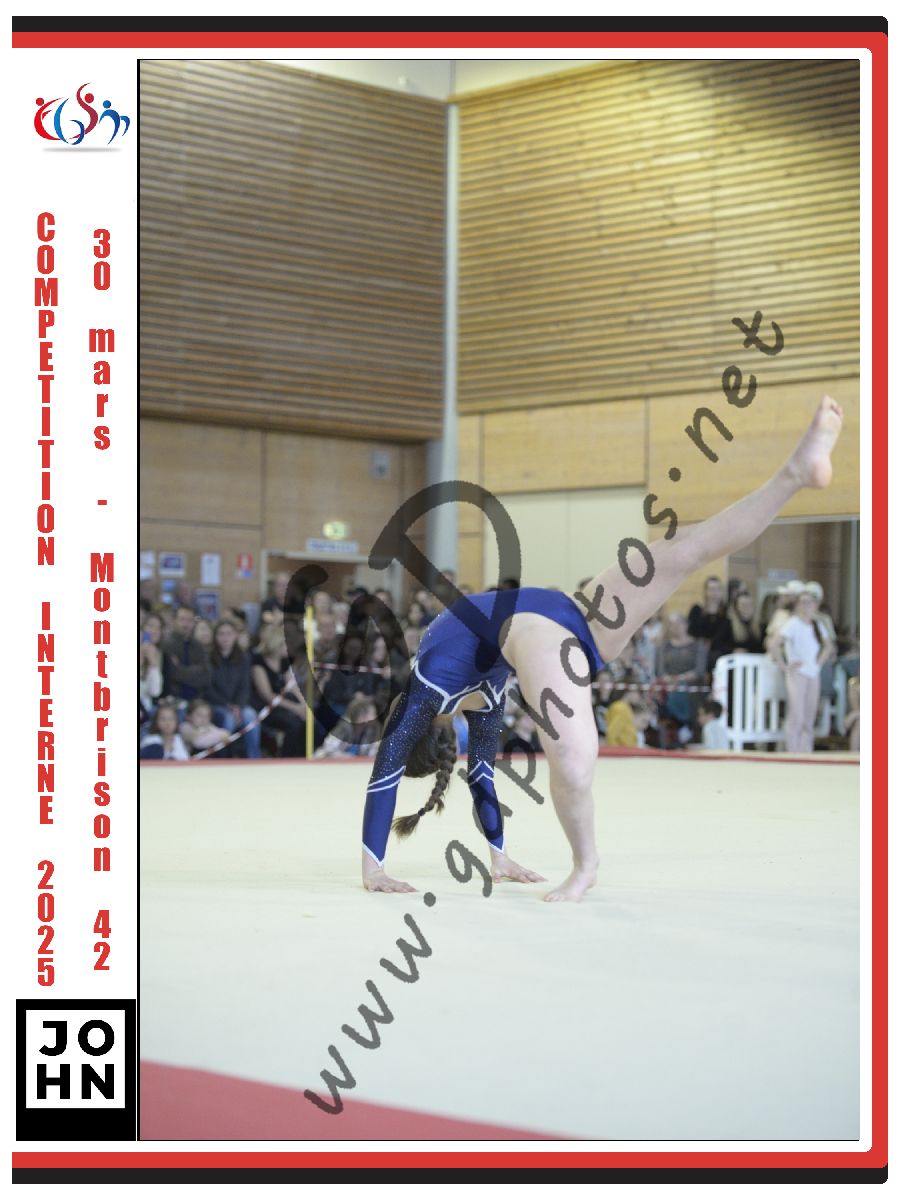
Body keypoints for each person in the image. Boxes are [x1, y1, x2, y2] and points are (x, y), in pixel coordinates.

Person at [360, 396, 844, 901]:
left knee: (572, 762)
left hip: (540, 631)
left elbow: (388, 771)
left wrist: (375, 870)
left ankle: (585, 865)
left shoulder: (430, 689)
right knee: (686, 549)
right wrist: (497, 854)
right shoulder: (469, 698)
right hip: (571, 611)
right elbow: (478, 775)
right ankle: (794, 474)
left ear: (437, 734)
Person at [769, 584, 835, 752]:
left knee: (809, 715)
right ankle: (793, 751)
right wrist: (784, 664)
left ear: (815, 605)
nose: (806, 606)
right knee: (796, 714)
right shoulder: (792, 624)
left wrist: (818, 663)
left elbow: (828, 646)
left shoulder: (817, 625)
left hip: (813, 672)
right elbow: (774, 643)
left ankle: (806, 750)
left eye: (809, 602)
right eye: (803, 602)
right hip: (797, 672)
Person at [250, 623, 308, 757]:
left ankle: (302, 756)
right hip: (266, 707)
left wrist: (304, 705)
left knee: (309, 720)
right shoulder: (258, 662)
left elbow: (292, 686)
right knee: (294, 724)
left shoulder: (283, 661)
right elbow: (267, 695)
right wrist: (295, 708)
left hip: (283, 703)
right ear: (275, 644)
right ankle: (286, 758)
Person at [208, 618, 261, 758]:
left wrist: (238, 706)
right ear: (215, 636)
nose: (225, 638)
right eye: (221, 634)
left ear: (236, 636)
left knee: (250, 716)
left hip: (239, 704)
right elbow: (208, 688)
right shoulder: (208, 657)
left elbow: (245, 686)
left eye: (229, 634)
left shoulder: (244, 658)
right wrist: (228, 705)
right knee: (228, 719)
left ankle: (254, 758)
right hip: (216, 704)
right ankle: (225, 759)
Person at [161, 605, 211, 708]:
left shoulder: (199, 646)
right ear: (174, 621)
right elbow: (171, 674)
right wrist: (194, 672)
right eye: (182, 619)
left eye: (190, 620)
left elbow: (205, 676)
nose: (186, 624)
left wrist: (179, 668)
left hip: (198, 698)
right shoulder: (166, 645)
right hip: (173, 698)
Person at [709, 589, 764, 669]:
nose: (747, 608)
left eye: (750, 604)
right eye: (743, 605)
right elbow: (716, 645)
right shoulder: (728, 624)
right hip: (733, 667)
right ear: (736, 607)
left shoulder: (760, 626)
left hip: (755, 666)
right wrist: (733, 651)